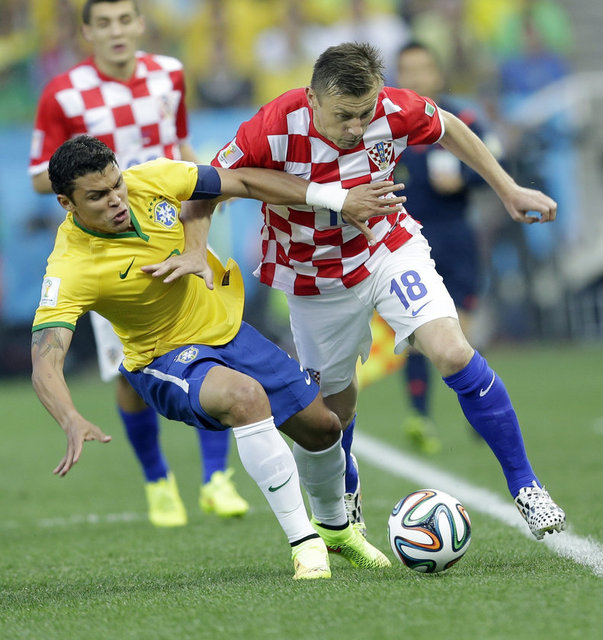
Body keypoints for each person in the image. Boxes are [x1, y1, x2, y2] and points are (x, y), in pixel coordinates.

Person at [209, 42, 566, 541]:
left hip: (386, 249)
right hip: (314, 278)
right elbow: (214, 181)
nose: (357, 127)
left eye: (365, 113)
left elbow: (449, 126)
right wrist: (195, 251)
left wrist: (508, 189)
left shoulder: (396, 107)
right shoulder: (273, 125)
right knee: (332, 415)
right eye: (344, 116)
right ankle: (346, 497)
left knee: (452, 351)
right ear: (312, 98)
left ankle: (527, 486)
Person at [31, 136, 398, 579]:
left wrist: (334, 199)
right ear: (67, 203)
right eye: (97, 196)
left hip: (228, 330)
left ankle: (336, 530)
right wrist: (69, 417)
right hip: (164, 358)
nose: (116, 199)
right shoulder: (70, 267)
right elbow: (45, 361)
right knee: (245, 397)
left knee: (324, 429)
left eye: (116, 184)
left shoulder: (153, 179)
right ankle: (305, 544)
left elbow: (241, 181)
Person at [28, 0, 249, 527]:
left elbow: (182, 142)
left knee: (213, 340)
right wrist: (104, 175)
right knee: (130, 373)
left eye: (125, 19)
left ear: (140, 23)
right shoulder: (63, 92)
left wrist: (202, 190)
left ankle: (216, 478)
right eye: (104, 22)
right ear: (87, 31)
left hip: (171, 222)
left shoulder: (169, 73)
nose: (117, 31)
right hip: (113, 247)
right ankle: (157, 479)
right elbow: (40, 176)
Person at [393, 41, 496, 453]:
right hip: (406, 241)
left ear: (437, 74)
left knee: (462, 332)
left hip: (456, 236)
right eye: (408, 69)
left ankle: (480, 413)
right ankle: (420, 417)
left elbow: (494, 164)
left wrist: (463, 180)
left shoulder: (460, 119)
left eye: (423, 68)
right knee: (416, 328)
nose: (416, 77)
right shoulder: (387, 126)